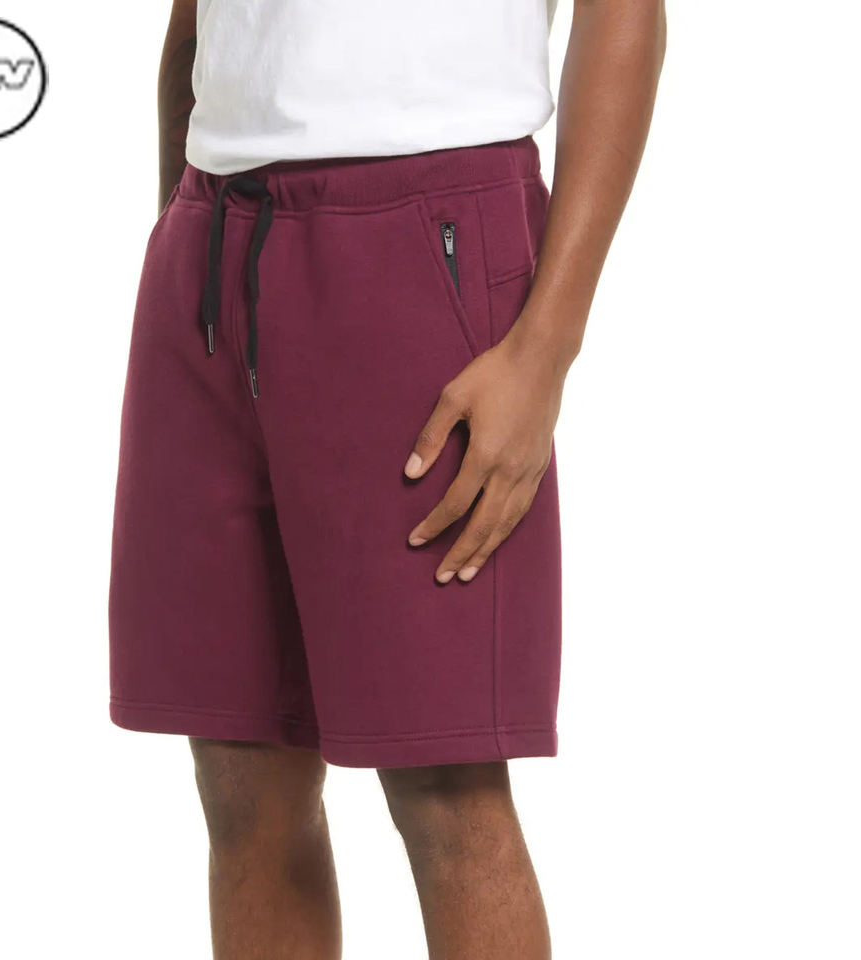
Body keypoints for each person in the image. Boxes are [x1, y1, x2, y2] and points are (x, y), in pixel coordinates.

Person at [108, 1, 665, 956]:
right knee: (242, 773)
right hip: (214, 234)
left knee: (446, 788)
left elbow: (626, 12)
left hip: (421, 227)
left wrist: (545, 351)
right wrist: (178, 221)